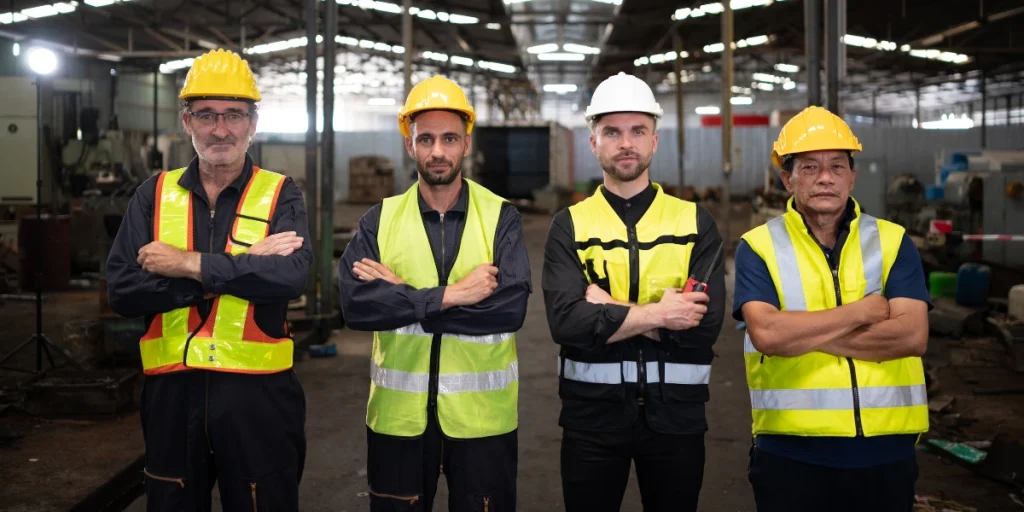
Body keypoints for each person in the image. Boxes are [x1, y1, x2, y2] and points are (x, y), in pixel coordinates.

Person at [106, 49, 311, 511]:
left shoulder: (282, 193)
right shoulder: (152, 195)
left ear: (253, 122)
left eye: (234, 114)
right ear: (187, 121)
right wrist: (231, 271)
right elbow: (122, 290)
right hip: (171, 399)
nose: (221, 129)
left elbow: (290, 278)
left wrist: (187, 263)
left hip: (258, 398)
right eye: (207, 115)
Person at [338, 75, 531, 511]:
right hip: (398, 421)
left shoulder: (502, 217)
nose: (437, 151)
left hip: (482, 422)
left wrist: (402, 297)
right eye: (425, 139)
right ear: (410, 144)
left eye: (449, 138)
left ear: (466, 143)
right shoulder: (378, 219)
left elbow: (508, 309)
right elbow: (355, 306)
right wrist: (454, 295)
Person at [542, 72, 726, 512]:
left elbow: (704, 328)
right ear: (594, 143)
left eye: (637, 130)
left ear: (654, 141)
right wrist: (663, 313)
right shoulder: (569, 225)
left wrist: (609, 308)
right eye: (612, 131)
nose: (626, 142)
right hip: (592, 419)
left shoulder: (694, 222)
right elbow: (567, 323)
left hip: (676, 420)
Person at [735, 105, 931, 512]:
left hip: (886, 452)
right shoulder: (758, 247)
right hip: (791, 453)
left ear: (852, 176)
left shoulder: (894, 242)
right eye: (809, 167)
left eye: (837, 166)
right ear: (787, 179)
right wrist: (859, 313)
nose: (825, 177)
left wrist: (802, 333)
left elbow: (911, 336)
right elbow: (767, 335)